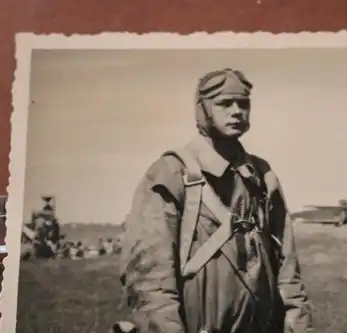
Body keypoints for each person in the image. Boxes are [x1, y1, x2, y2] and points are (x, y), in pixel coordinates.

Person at [115, 68, 313, 333]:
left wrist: (299, 322)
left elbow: (287, 264)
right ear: (202, 109)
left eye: (243, 104)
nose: (236, 111)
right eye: (224, 103)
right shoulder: (171, 174)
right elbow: (151, 278)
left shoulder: (261, 176)